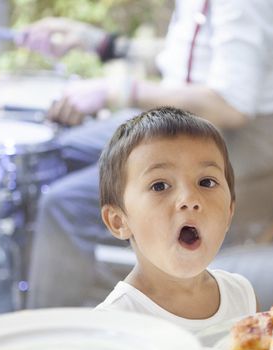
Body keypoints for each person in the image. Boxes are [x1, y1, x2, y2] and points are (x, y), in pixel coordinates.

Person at [20, 0, 273, 307]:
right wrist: (103, 44)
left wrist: (117, 91)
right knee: (55, 154)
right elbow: (192, 60)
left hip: (241, 139)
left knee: (65, 205)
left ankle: (64, 337)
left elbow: (230, 105)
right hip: (182, 122)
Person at [96, 107, 257, 330]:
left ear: (229, 212)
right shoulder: (113, 322)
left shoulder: (241, 295)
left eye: (206, 182)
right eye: (159, 186)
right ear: (119, 221)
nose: (189, 199)